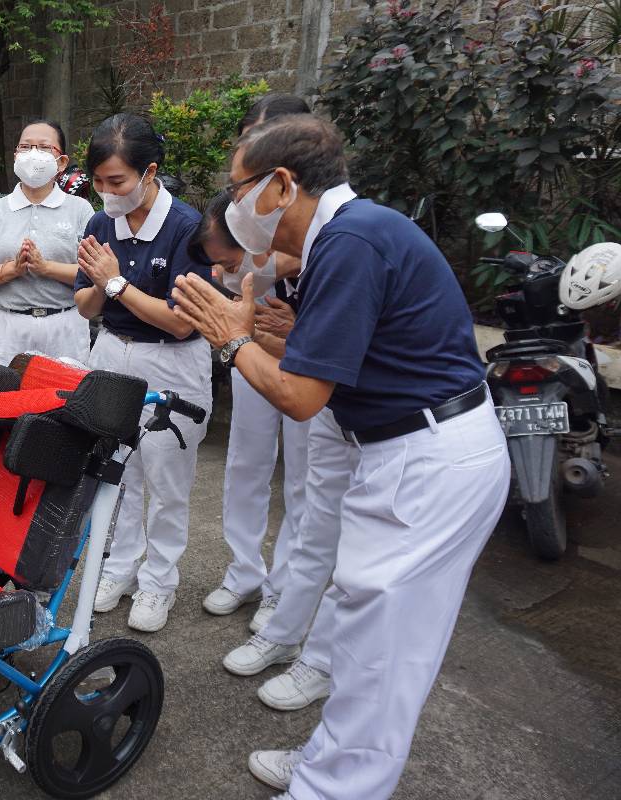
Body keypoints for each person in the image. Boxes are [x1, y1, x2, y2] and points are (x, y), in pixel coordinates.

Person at [171, 114, 509, 800]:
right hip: (407, 449)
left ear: (281, 185)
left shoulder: (352, 241)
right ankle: (335, 761)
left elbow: (297, 398)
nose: (233, 208)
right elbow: (319, 369)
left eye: (239, 191)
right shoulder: (347, 239)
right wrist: (247, 336)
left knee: (385, 652)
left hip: (428, 458)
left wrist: (234, 341)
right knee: (365, 634)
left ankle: (334, 788)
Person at [75, 113, 213, 633]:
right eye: (99, 182)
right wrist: (97, 285)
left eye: (118, 182)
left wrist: (114, 285)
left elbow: (181, 324)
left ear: (149, 171)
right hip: (111, 352)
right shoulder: (98, 223)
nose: (108, 193)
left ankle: (159, 582)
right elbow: (87, 308)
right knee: (116, 470)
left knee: (166, 478)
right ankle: (118, 568)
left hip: (170, 363)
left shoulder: (186, 228)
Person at [193, 94, 314, 629]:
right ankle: (243, 571)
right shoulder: (239, 208)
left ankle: (283, 590)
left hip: (306, 350)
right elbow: (228, 261)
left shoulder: (319, 209)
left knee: (304, 480)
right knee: (246, 462)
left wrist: (258, 261)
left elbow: (292, 255)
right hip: (253, 340)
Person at [0, 120, 94, 366]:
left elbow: (95, 274)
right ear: (15, 156)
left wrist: (45, 268)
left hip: (65, 325)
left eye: (44, 148)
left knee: (65, 401)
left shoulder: (80, 210)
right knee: (4, 400)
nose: (33, 154)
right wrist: (9, 271)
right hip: (7, 327)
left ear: (62, 162)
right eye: (25, 147)